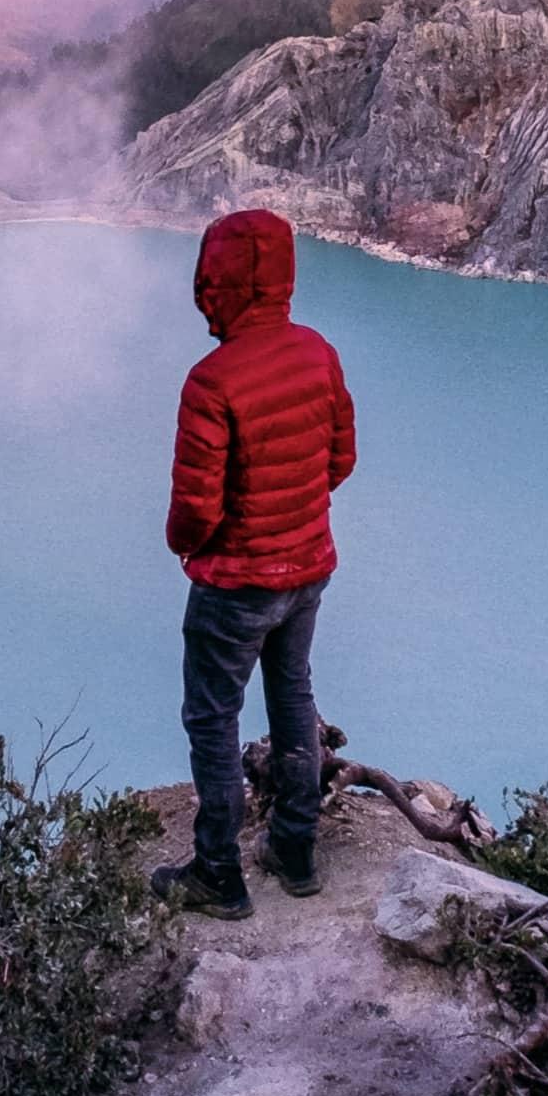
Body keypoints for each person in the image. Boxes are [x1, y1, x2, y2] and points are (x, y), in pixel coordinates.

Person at [153, 207, 355, 921]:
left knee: (213, 719)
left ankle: (218, 874)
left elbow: (196, 509)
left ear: (224, 283)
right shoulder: (319, 352)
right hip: (308, 569)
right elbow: (341, 459)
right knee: (293, 694)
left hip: (236, 585)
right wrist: (291, 508)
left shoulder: (211, 382)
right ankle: (295, 851)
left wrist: (185, 544)